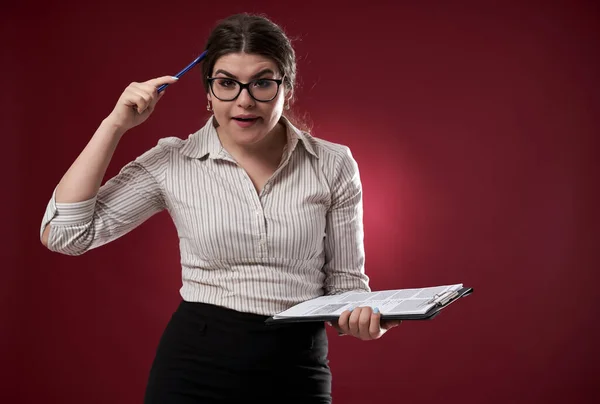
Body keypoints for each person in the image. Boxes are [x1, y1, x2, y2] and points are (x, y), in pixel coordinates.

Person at [39, 13, 400, 404]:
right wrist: (114, 125)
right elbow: (65, 235)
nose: (244, 100)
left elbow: (346, 288)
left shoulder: (333, 164)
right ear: (208, 92)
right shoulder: (173, 161)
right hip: (195, 367)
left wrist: (365, 320)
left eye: (262, 82)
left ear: (286, 89)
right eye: (227, 83)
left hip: (296, 370)